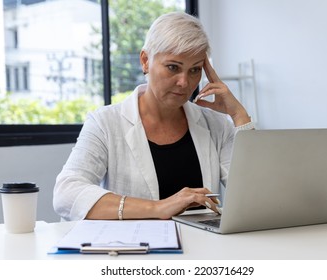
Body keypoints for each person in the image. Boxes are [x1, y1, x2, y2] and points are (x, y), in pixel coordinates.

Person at [53, 12, 254, 221]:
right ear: (145, 61)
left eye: (194, 70)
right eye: (173, 67)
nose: (184, 83)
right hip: (138, 249)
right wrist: (159, 208)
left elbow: (254, 196)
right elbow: (66, 193)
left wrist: (238, 115)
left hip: (204, 248)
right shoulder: (105, 123)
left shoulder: (216, 125)